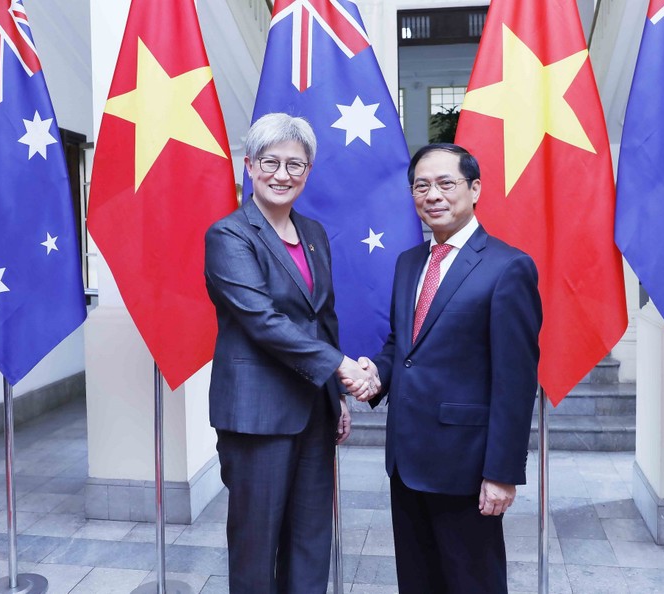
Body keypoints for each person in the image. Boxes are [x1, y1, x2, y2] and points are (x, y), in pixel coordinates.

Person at [354, 143, 542, 593]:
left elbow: (516, 383)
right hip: (406, 461)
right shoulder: (409, 263)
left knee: (471, 582)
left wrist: (501, 473)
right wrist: (376, 373)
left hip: (466, 467)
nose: (432, 195)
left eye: (445, 183)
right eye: (421, 185)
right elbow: (404, 345)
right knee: (418, 582)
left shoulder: (508, 267)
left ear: (474, 189)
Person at [204, 113, 379, 594]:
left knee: (309, 539)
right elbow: (261, 320)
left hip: (313, 414)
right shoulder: (229, 235)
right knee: (256, 545)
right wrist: (342, 367)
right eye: (271, 162)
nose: (283, 175)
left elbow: (323, 318)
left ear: (308, 171)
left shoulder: (315, 234)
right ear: (249, 167)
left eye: (295, 165)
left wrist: (335, 396)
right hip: (256, 415)